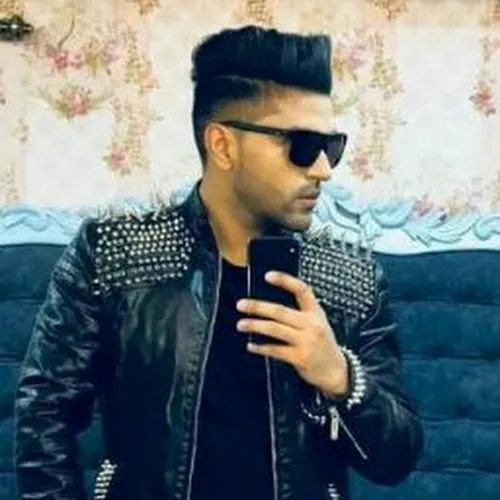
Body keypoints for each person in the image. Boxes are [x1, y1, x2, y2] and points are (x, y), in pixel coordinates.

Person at [14, 25, 423, 500]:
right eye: (303, 146)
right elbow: (44, 415)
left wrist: (340, 378)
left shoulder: (348, 278)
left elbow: (397, 458)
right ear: (223, 145)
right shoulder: (115, 256)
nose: (323, 169)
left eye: (331, 147)